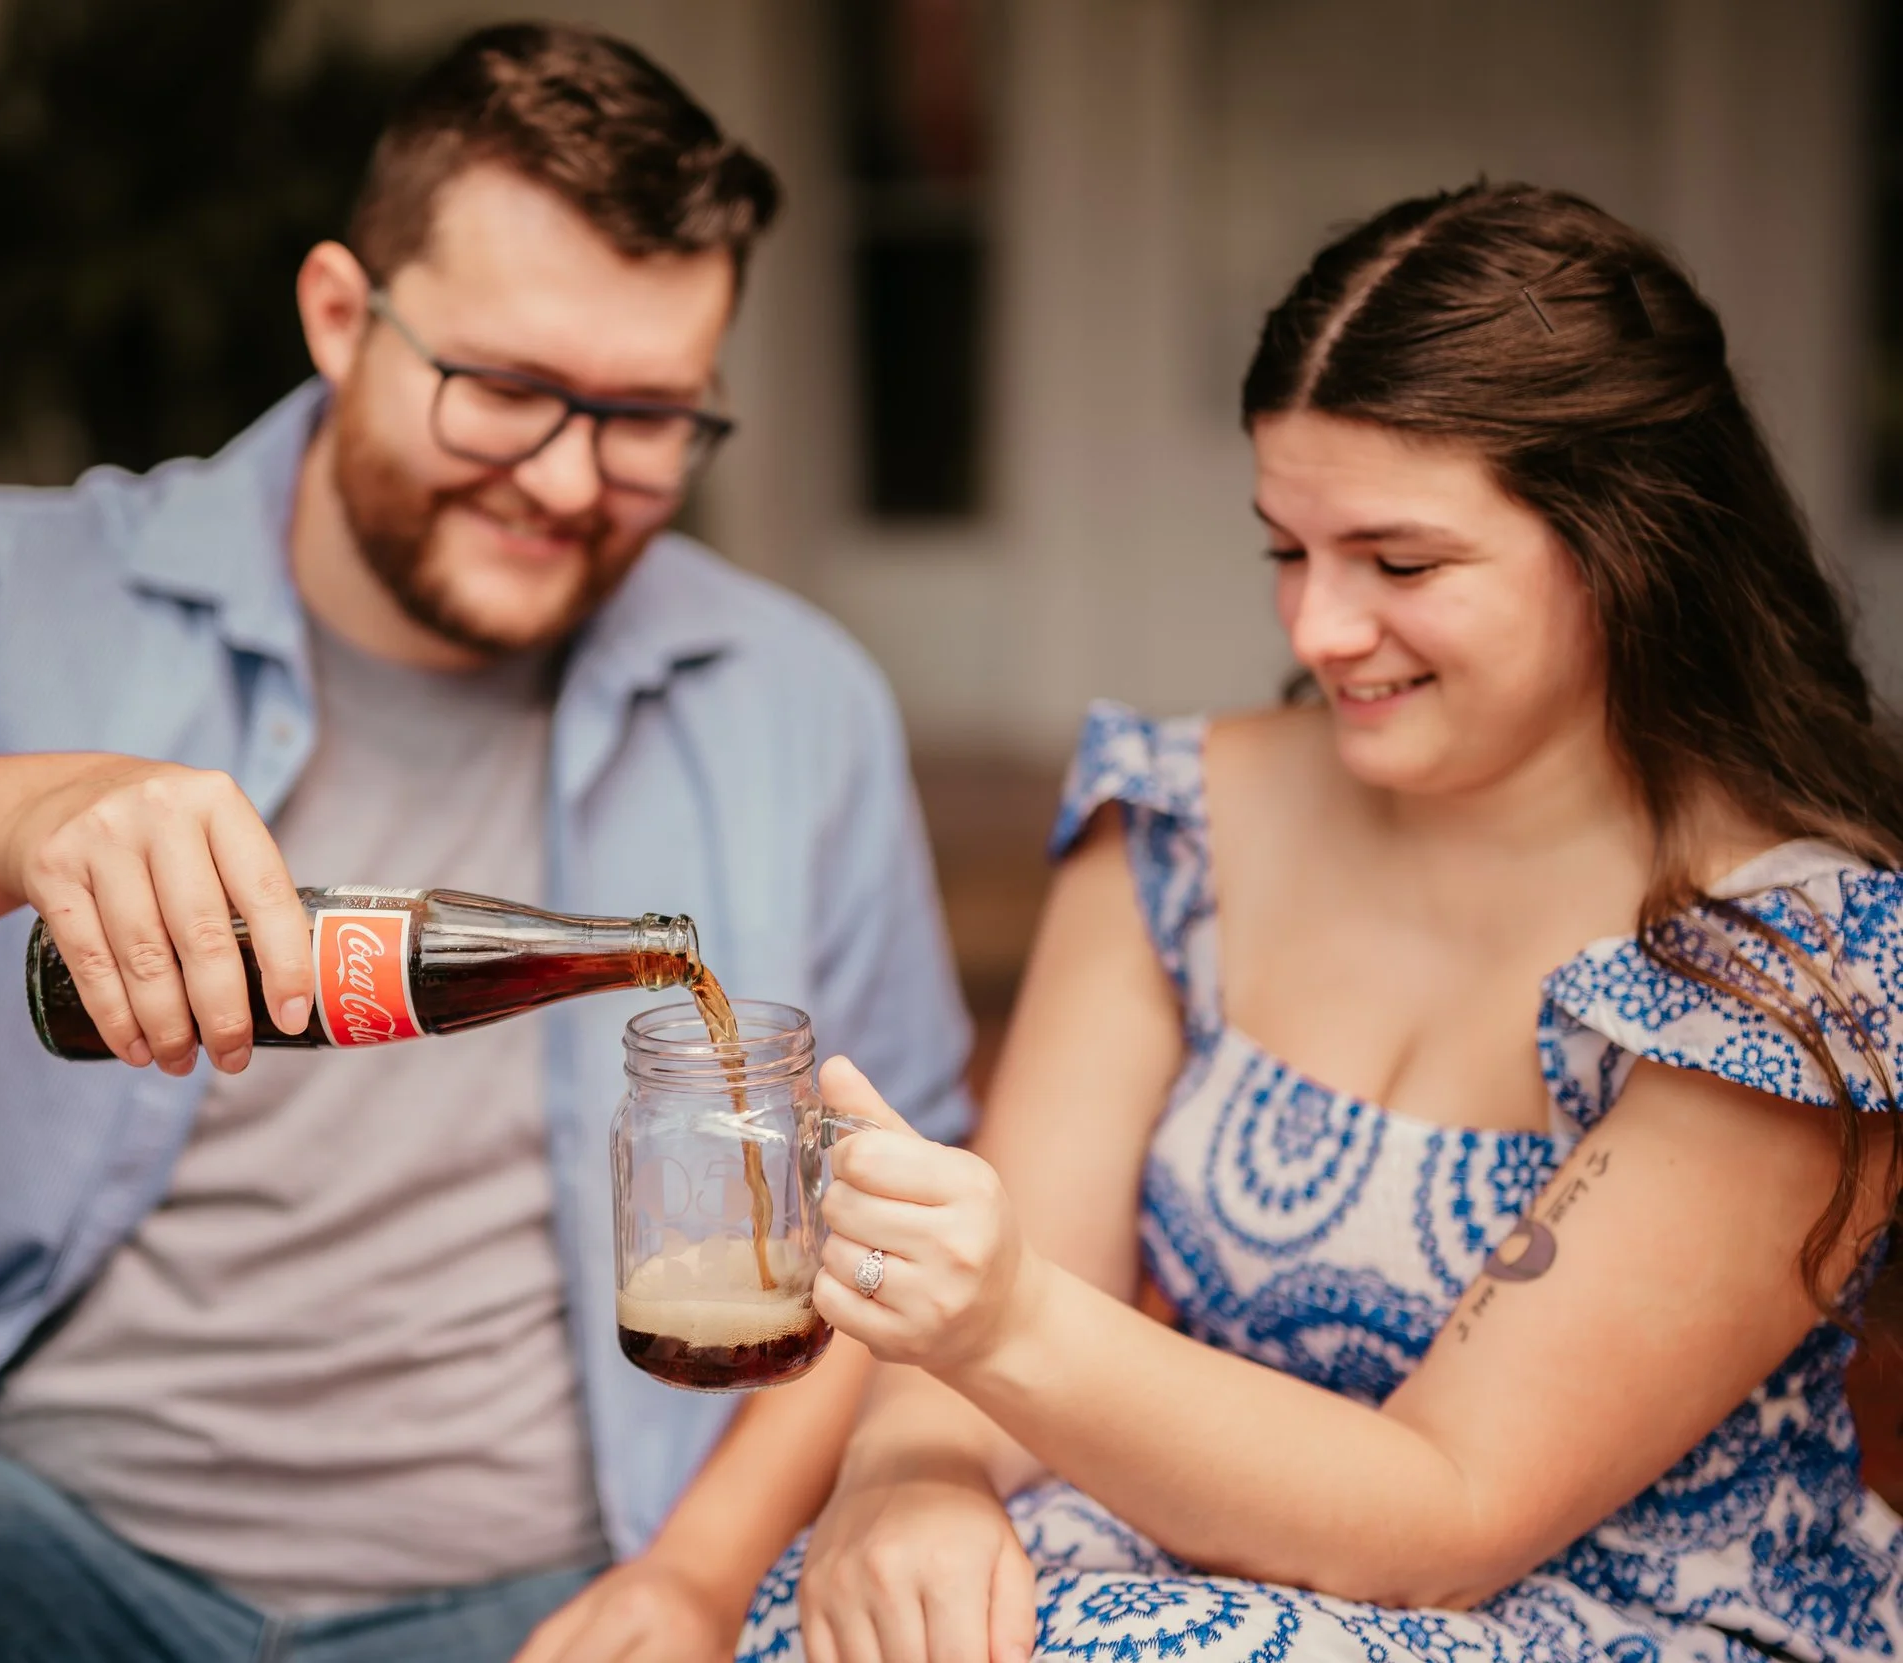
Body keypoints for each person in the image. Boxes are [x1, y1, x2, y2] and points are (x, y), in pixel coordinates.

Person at [0, 23, 974, 1663]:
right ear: (336, 316)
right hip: (44, 1547)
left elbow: (897, 1214)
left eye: (649, 417)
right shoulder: (27, 585)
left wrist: (697, 1575)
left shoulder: (798, 697)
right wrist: (9, 816)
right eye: (507, 389)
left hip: (547, 1588)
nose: (572, 477)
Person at [741, 181, 1903, 1663]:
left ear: (1628, 547)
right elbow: (1010, 1286)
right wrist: (914, 1474)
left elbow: (1447, 1517)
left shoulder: (1800, 969)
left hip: (1606, 1613)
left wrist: (1002, 1327)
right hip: (1188, 1540)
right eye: (1286, 551)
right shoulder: (1178, 819)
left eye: (1398, 563)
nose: (1315, 630)